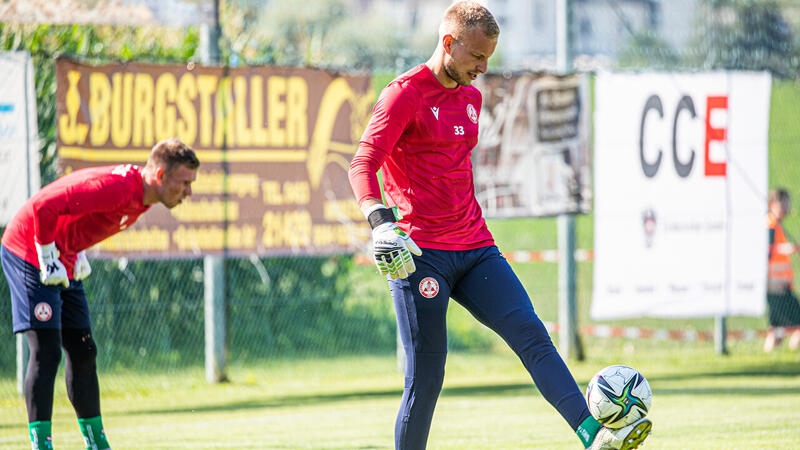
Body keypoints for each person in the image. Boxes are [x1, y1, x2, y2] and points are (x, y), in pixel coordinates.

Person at [348, 3, 651, 449]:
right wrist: (380, 224)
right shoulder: (403, 94)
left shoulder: (472, 96)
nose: (483, 68)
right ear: (448, 43)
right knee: (426, 378)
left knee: (533, 336)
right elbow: (362, 164)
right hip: (420, 258)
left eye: (489, 58)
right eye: (476, 57)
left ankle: (594, 437)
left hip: (475, 248)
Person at [1, 138, 199, 450]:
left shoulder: (143, 196)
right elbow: (43, 207)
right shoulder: (119, 188)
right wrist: (47, 251)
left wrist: (74, 248)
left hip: (63, 254)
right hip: (28, 248)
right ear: (160, 176)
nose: (189, 192)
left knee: (83, 351)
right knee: (47, 351)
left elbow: (85, 216)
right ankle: (42, 446)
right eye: (184, 182)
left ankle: (97, 444)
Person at [764, 188, 800, 352]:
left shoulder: (776, 225)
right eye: (783, 204)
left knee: (777, 330)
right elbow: (768, 251)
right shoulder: (770, 224)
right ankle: (793, 356)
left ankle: (768, 358)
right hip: (776, 287)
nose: (786, 208)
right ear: (773, 204)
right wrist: (788, 248)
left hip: (779, 287)